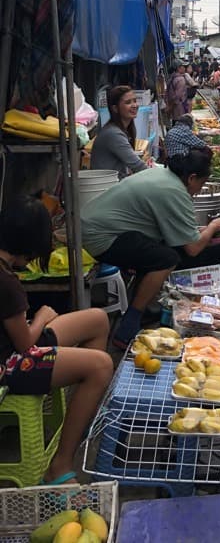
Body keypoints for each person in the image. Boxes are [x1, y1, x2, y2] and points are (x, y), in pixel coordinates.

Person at [0, 196, 114, 486]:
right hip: (9, 363)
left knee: (97, 319)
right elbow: (25, 344)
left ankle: (80, 414)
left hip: (12, 341)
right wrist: (41, 317)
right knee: (101, 365)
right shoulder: (6, 282)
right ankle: (60, 464)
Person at [82, 147, 220, 348]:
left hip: (95, 227)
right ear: (191, 178)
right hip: (102, 238)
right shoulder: (173, 191)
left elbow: (176, 228)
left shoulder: (163, 174)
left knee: (157, 252)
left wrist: (200, 229)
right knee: (166, 259)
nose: (200, 189)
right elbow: (193, 248)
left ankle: (145, 309)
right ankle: (129, 324)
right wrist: (213, 226)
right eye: (202, 183)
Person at [91, 85, 148, 179]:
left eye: (135, 101)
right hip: (108, 187)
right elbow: (138, 166)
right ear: (115, 108)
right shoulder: (113, 134)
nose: (134, 105)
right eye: (128, 102)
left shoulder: (123, 130)